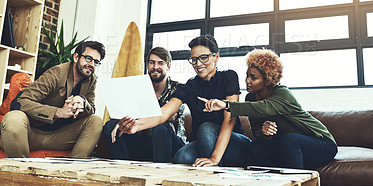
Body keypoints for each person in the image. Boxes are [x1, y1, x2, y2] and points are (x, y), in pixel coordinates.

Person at [111, 35, 251, 167]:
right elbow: (163, 113)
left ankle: (214, 176)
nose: (198, 64)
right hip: (201, 142)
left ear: (216, 57)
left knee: (206, 128)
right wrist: (136, 125)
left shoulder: (229, 77)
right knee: (182, 158)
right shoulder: (189, 86)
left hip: (234, 143)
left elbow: (230, 120)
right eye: (194, 59)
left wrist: (214, 158)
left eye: (203, 58)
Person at [200, 48, 338, 169]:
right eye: (247, 75)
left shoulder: (282, 93)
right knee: (256, 148)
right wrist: (264, 133)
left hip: (322, 144)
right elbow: (257, 134)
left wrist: (226, 105)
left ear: (267, 80)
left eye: (253, 77)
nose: (247, 80)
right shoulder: (250, 98)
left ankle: (295, 181)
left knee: (289, 139)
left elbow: (263, 108)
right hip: (289, 146)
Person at [0, 41, 106, 158]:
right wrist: (58, 112)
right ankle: (22, 172)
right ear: (76, 57)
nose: (92, 64)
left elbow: (91, 109)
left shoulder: (91, 79)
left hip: (59, 137)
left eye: (96, 62)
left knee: (95, 121)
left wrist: (82, 101)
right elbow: (19, 102)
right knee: (13, 118)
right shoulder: (56, 73)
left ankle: (72, 171)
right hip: (31, 134)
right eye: (88, 58)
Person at [102, 47, 186, 162]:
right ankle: (124, 168)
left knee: (161, 127)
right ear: (147, 66)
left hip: (170, 142)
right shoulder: (137, 87)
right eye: (152, 62)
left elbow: (166, 116)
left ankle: (159, 172)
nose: (155, 67)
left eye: (160, 63)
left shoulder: (178, 89)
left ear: (168, 67)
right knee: (110, 126)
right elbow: (125, 113)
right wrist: (122, 121)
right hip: (144, 139)